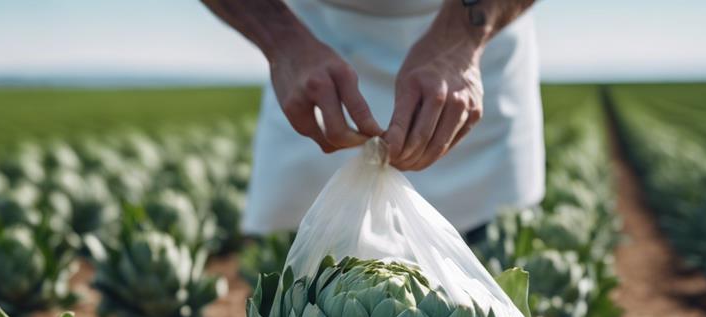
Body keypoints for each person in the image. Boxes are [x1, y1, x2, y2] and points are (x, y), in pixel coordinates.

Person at [202, 0, 543, 236]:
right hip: (309, 43)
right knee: (302, 279)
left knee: (493, 262)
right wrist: (282, 41)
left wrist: (462, 39)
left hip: (478, 34)